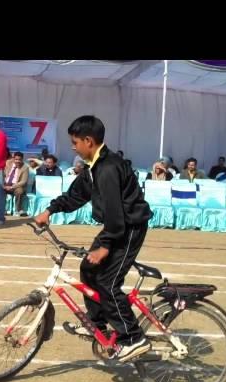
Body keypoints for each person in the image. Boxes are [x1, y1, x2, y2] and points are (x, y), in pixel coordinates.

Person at [34, 115, 153, 362]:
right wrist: (50, 210)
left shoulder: (108, 168)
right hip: (116, 226)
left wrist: (106, 247)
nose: (73, 147)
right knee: (88, 268)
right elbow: (76, 195)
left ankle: (133, 338)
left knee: (109, 283)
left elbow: (115, 213)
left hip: (128, 228)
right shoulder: (94, 167)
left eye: (75, 142)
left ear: (88, 141)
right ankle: (98, 324)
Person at [3, 151, 29, 216]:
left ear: (22, 159)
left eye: (19, 159)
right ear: (13, 158)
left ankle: (18, 209)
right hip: (6, 184)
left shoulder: (25, 167)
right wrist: (3, 185)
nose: (17, 161)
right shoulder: (8, 163)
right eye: (16, 159)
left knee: (20, 191)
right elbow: (2, 174)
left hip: (16, 185)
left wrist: (12, 187)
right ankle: (2, 209)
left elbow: (24, 181)